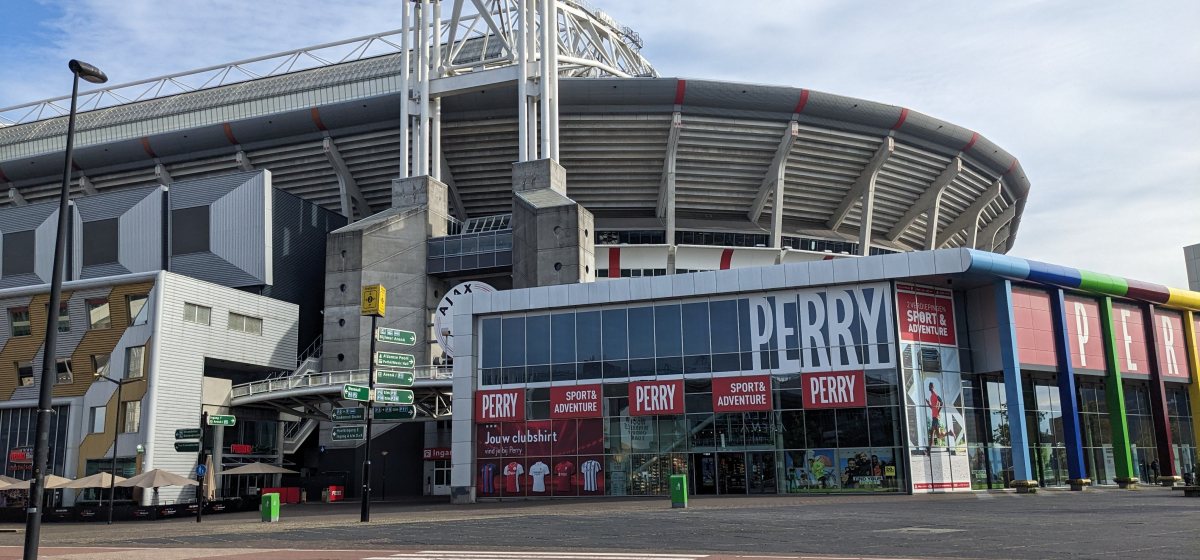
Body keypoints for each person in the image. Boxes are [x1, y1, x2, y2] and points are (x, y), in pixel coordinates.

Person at [925, 382, 943, 447]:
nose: (929, 387)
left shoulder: (935, 395)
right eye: (929, 386)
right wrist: (928, 403)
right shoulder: (931, 396)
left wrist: (938, 411)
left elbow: (942, 402)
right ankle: (949, 433)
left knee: (932, 433)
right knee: (938, 435)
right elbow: (932, 408)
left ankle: (929, 450)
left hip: (935, 417)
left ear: (932, 387)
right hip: (934, 417)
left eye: (930, 386)